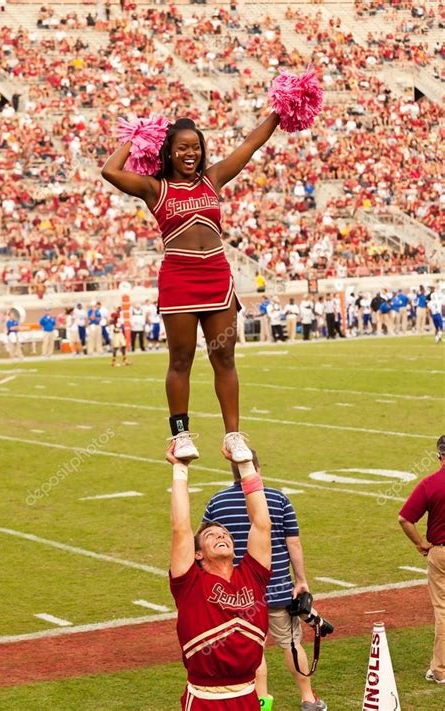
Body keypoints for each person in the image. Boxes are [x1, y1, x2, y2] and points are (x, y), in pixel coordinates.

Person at [102, 112, 281, 462]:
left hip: (216, 275)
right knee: (181, 359)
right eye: (182, 147)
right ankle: (181, 434)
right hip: (179, 279)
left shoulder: (212, 179)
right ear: (167, 151)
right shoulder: (155, 188)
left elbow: (250, 144)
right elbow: (110, 171)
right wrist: (138, 137)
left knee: (225, 356)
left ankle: (233, 436)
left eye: (196, 147)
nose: (190, 154)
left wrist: (277, 112)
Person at [203, 451, 327, 711]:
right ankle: (308, 699)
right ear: (256, 467)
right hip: (279, 587)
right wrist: (301, 580)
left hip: (239, 593)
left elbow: (204, 545)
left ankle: (261, 703)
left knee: (253, 649)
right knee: (291, 645)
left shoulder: (217, 501)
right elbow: (293, 541)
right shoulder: (278, 498)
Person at [166, 440, 272, 709]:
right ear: (198, 553)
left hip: (248, 695)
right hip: (205, 698)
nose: (221, 535)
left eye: (225, 534)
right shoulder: (189, 582)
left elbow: (261, 523)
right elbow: (180, 528)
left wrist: (246, 464)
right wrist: (180, 469)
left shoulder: (252, 574)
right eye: (212, 536)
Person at [398, 435, 445, 685]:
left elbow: (405, 518)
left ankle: (441, 669)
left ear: (440, 457)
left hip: (441, 552)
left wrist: (420, 544)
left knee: (443, 611)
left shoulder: (431, 484)